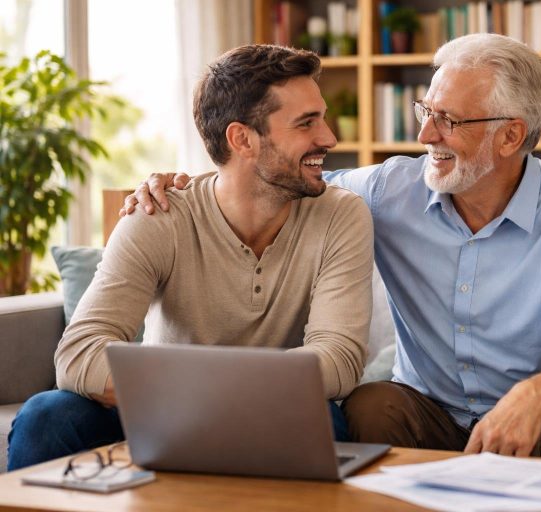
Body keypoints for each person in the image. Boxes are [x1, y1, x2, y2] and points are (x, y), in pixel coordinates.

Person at [122, 34, 541, 461]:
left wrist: (538, 393)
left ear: (511, 137)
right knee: (370, 403)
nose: (424, 134)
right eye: (427, 110)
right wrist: (185, 185)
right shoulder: (385, 190)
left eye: (449, 120)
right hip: (427, 412)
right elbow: (274, 174)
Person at [6, 44, 374, 471]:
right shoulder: (158, 215)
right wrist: (199, 393)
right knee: (46, 416)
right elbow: (78, 354)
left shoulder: (340, 215)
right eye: (306, 123)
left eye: (322, 118)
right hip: (156, 414)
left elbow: (339, 358)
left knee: (325, 421)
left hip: (269, 413)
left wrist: (206, 391)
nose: (328, 137)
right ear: (242, 139)